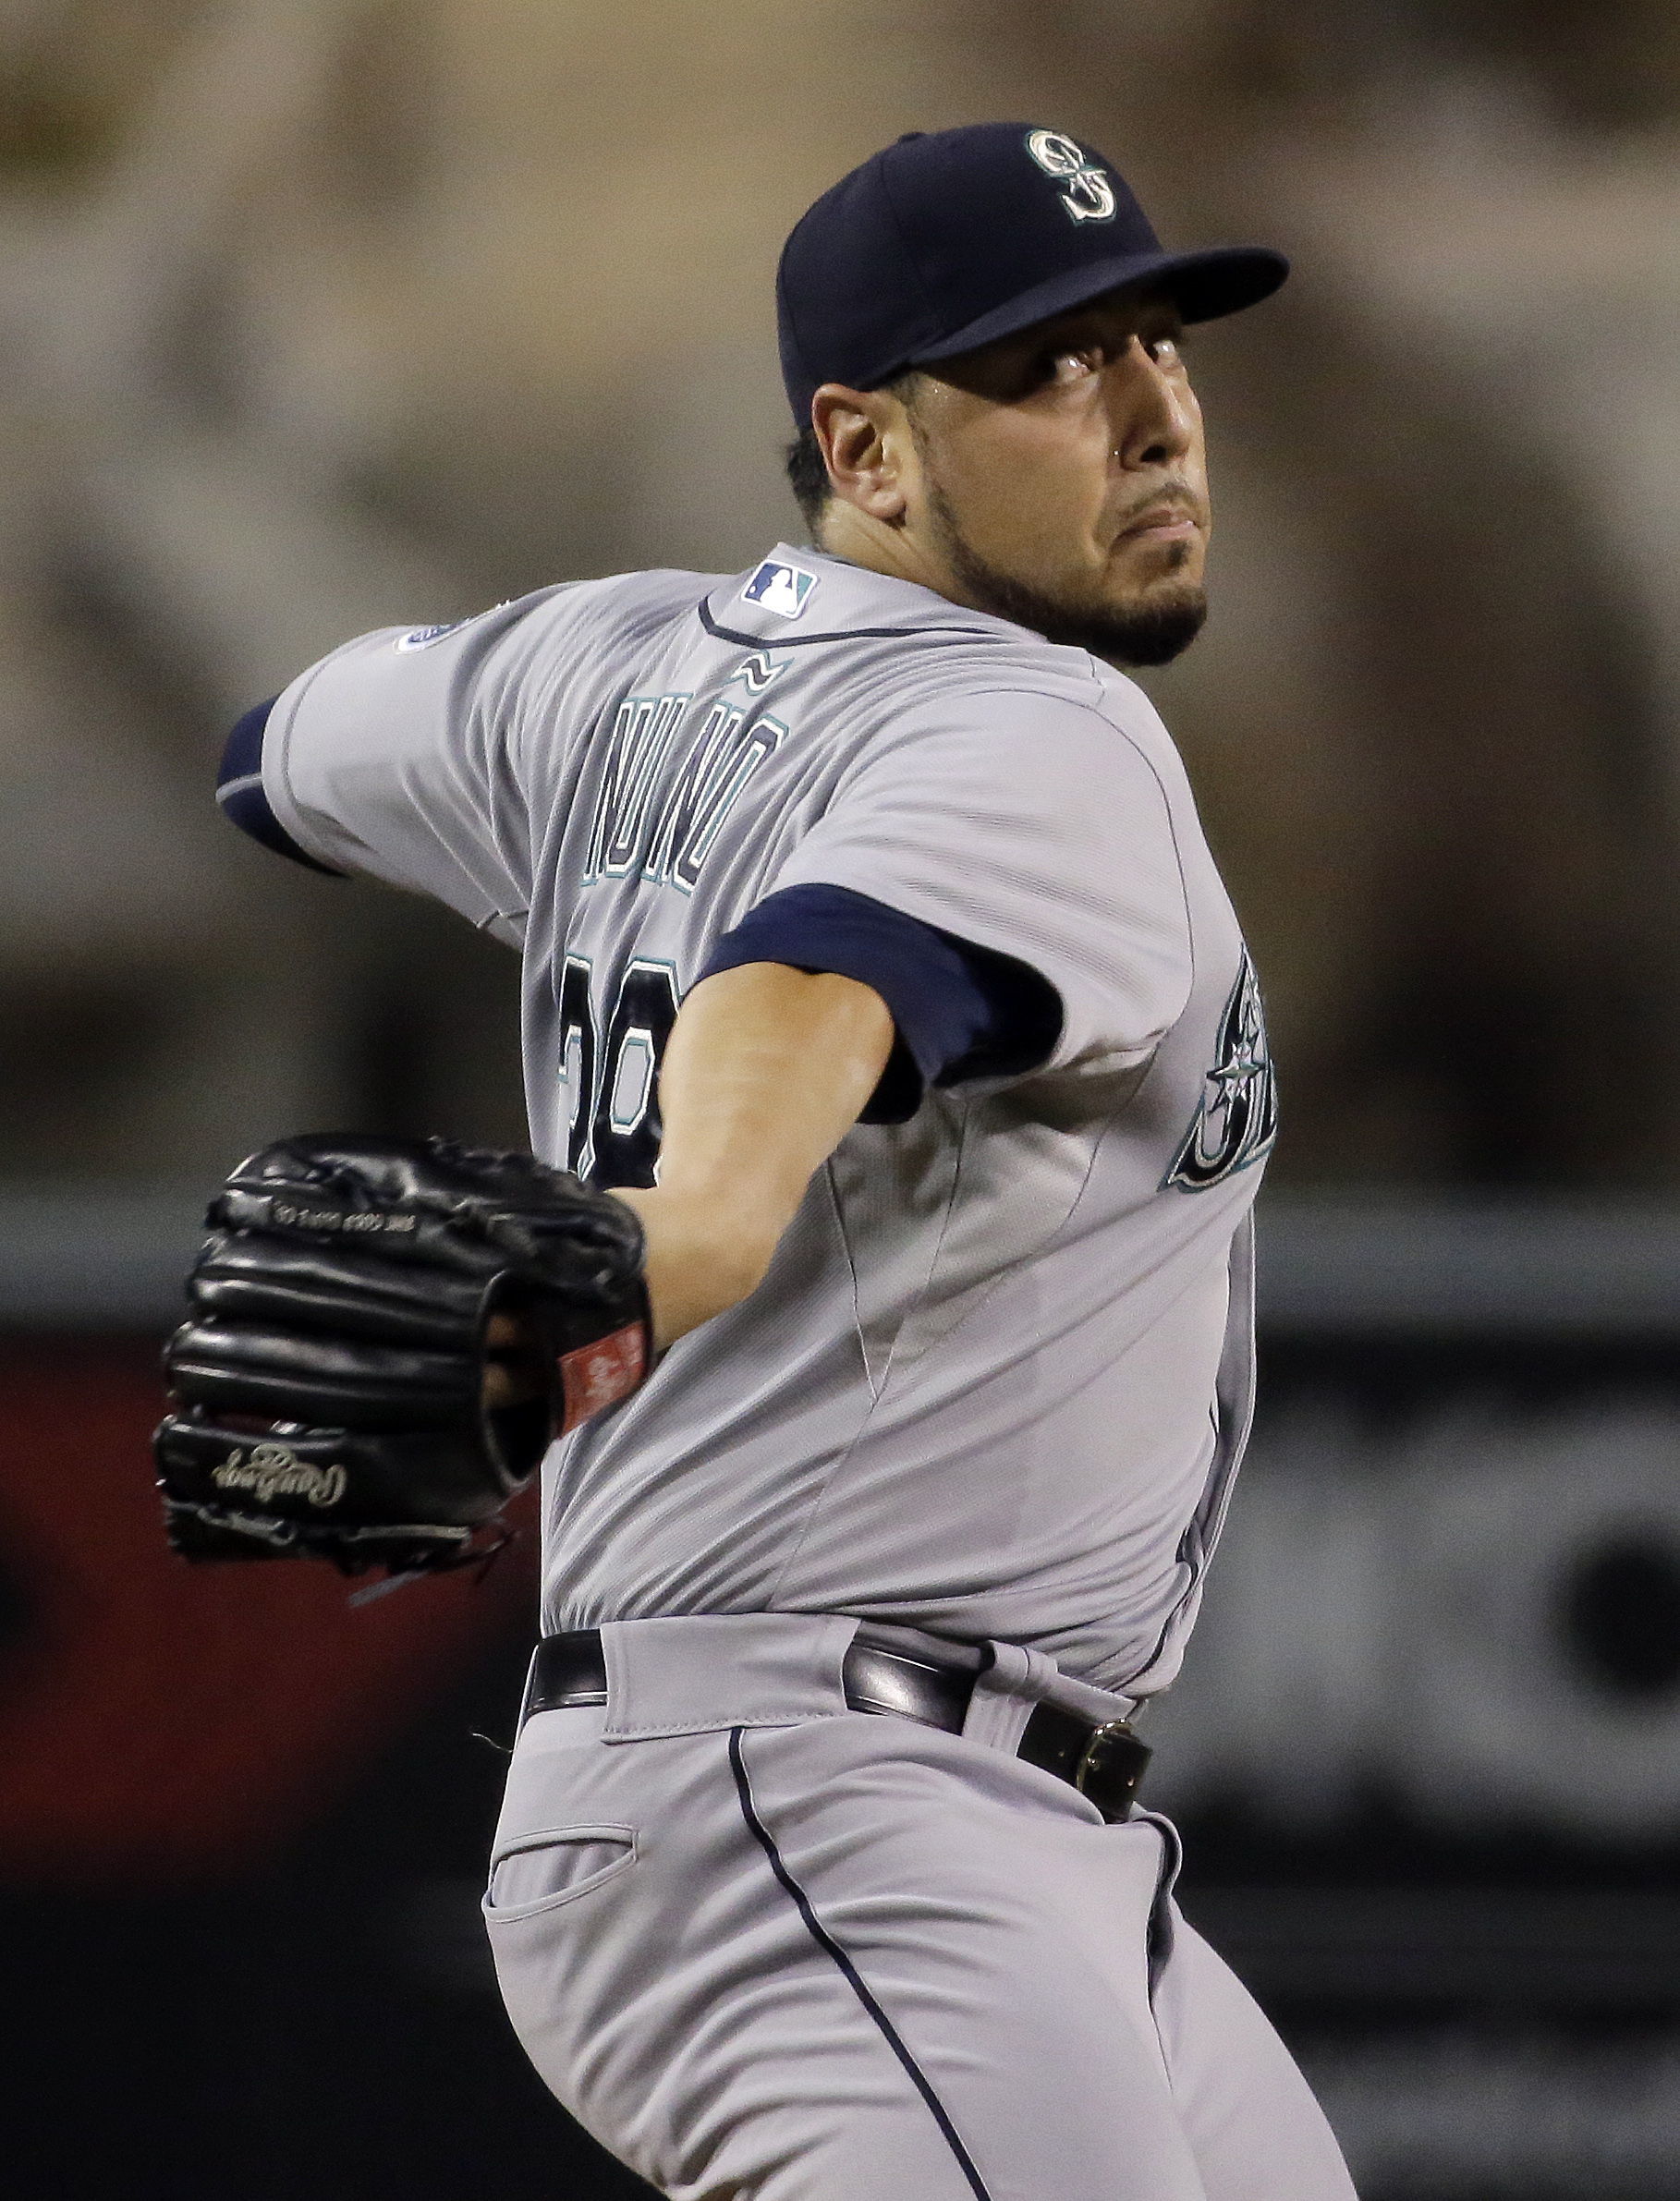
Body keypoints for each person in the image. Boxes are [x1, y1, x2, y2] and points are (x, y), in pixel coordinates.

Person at [218, 122, 1356, 2201]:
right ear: (866, 444)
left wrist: (616, 763)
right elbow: (810, 980)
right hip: (831, 1805)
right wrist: (679, 1229)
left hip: (935, 1825)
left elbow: (273, 759)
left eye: (1158, 342)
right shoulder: (1042, 734)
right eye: (1048, 368)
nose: (1152, 411)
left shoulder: (599, 672)